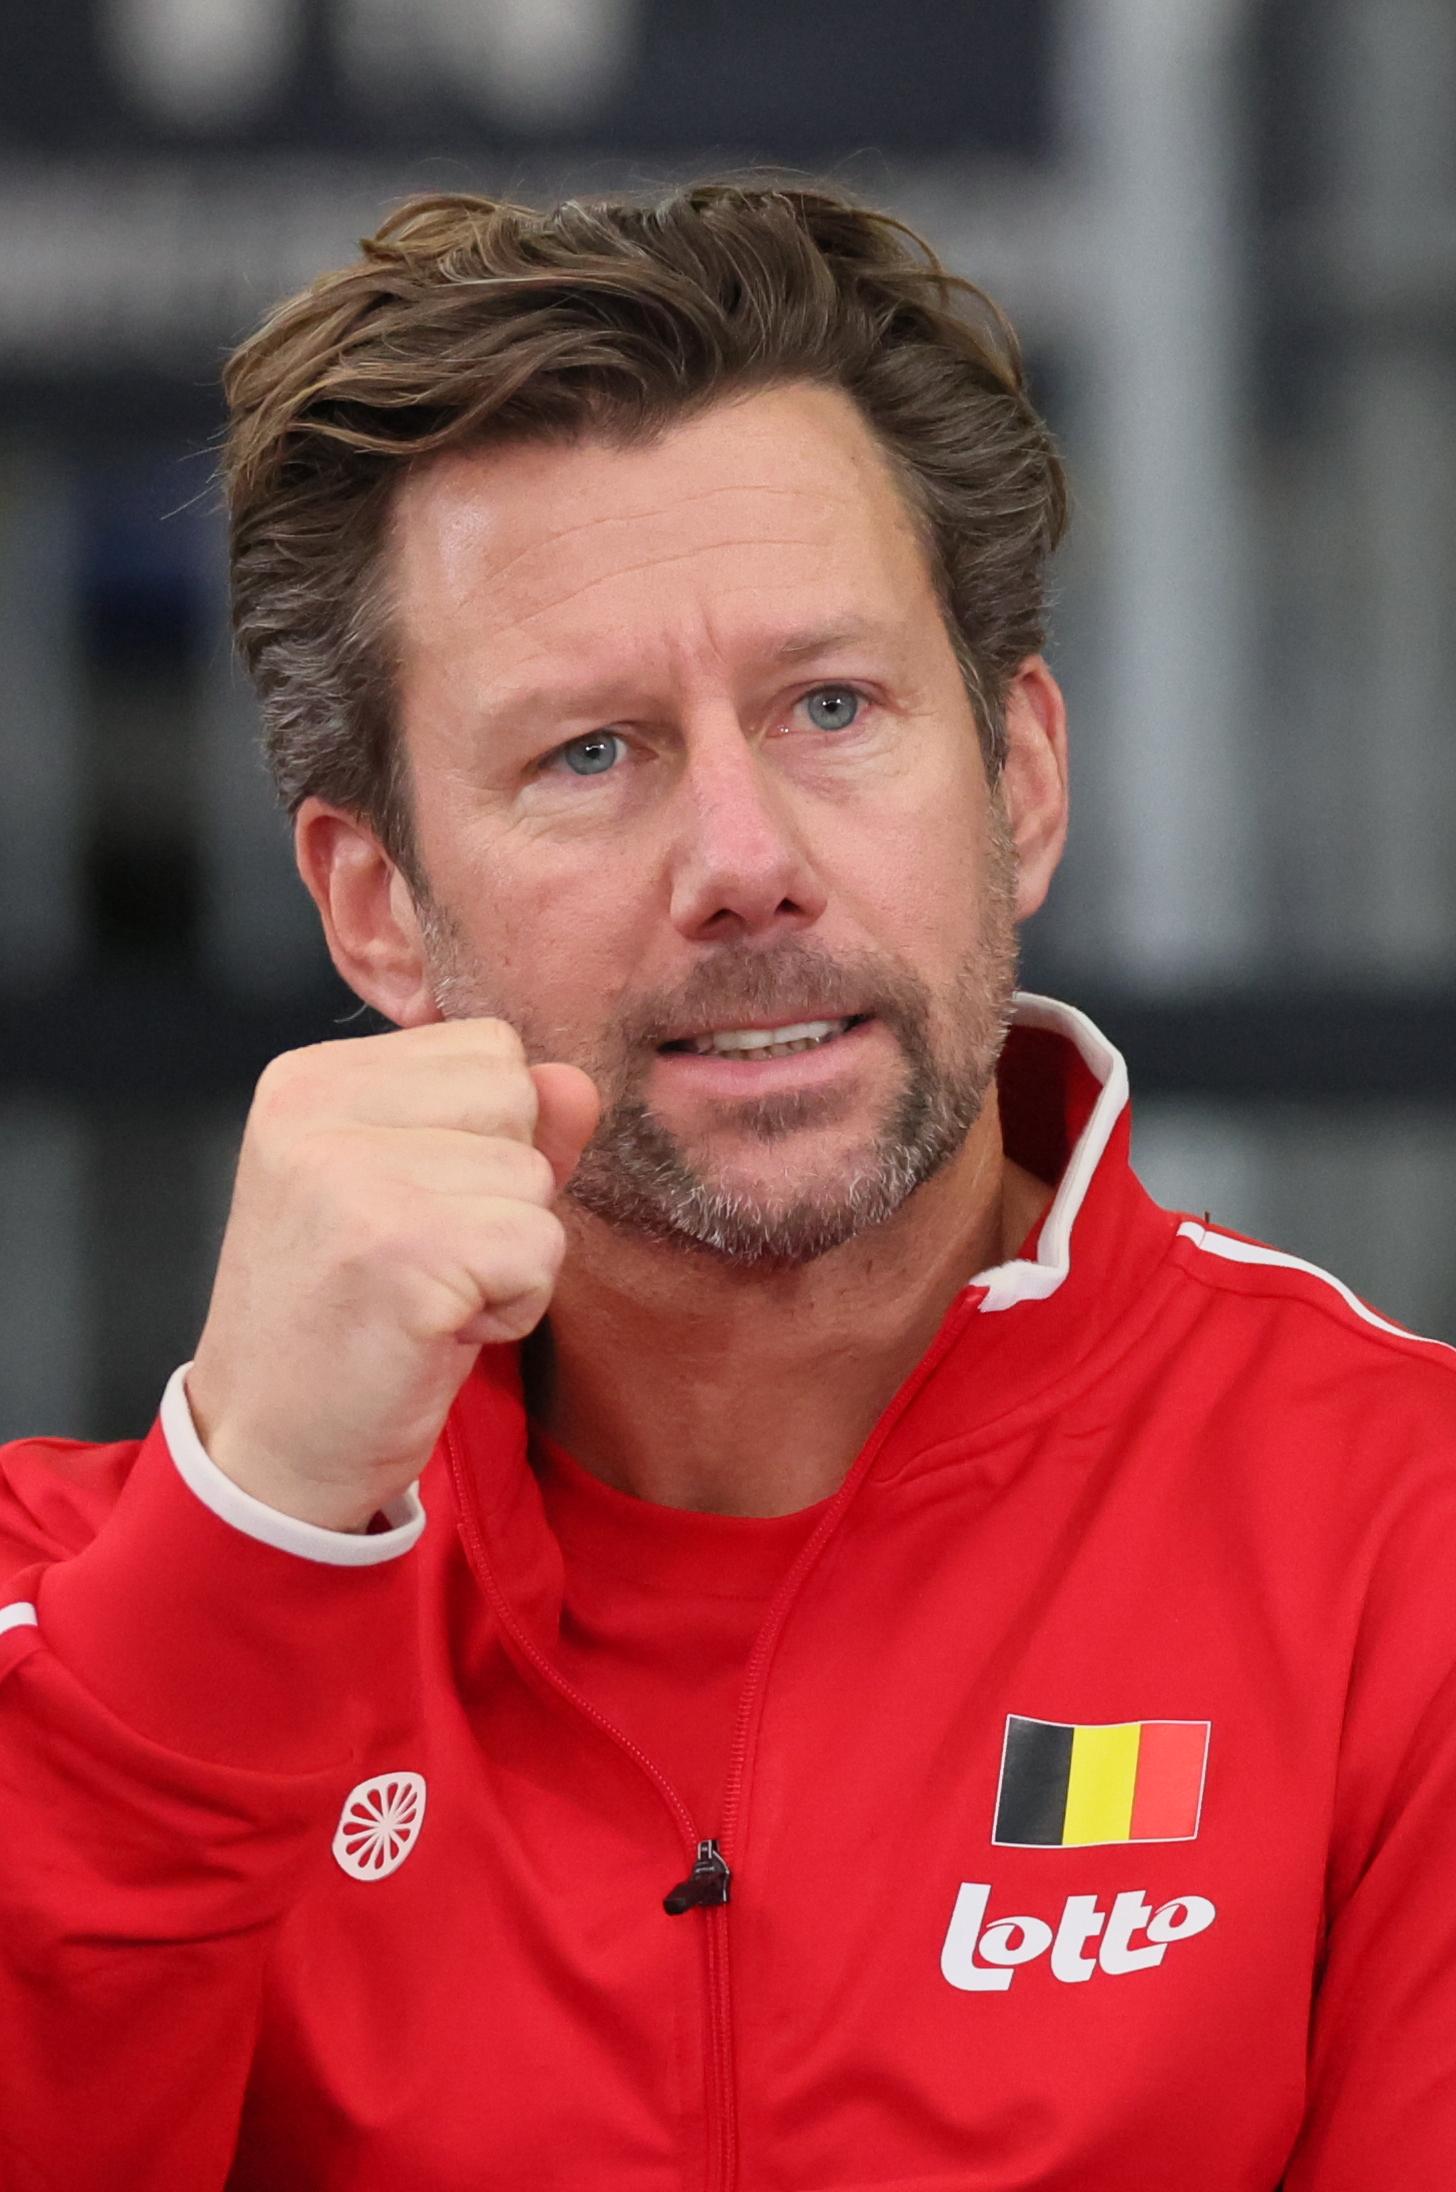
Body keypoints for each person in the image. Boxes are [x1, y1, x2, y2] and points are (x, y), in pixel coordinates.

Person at [2, 179, 1453, 2192]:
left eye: (830, 707)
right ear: (375, 905)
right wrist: (246, 1531)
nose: (741, 858)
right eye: (588, 753)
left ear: (1019, 780)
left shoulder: (1401, 1542)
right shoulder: (76, 1605)